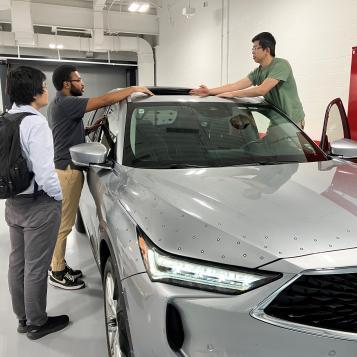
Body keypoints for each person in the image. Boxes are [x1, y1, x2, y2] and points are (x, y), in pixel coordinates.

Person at [48, 64, 153, 290]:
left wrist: (88, 130)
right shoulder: (67, 103)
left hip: (65, 167)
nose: (82, 83)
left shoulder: (59, 104)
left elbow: (66, 131)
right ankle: (56, 271)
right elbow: (104, 100)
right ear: (67, 84)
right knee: (64, 225)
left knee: (64, 223)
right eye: (78, 80)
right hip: (68, 171)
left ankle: (59, 265)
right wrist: (132, 88)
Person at [5, 66, 69, 339]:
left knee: (17, 262)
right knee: (36, 266)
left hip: (13, 203)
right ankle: (37, 323)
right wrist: (58, 196)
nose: (47, 90)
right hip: (38, 205)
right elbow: (45, 172)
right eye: (43, 86)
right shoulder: (36, 123)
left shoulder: (6, 118)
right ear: (33, 92)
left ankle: (23, 318)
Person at [190, 32, 305, 129]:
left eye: (256, 48)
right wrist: (209, 91)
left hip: (292, 120)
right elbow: (234, 85)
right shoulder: (258, 72)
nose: (253, 51)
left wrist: (233, 94)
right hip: (277, 120)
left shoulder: (281, 65)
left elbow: (262, 90)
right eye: (252, 48)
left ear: (267, 50)